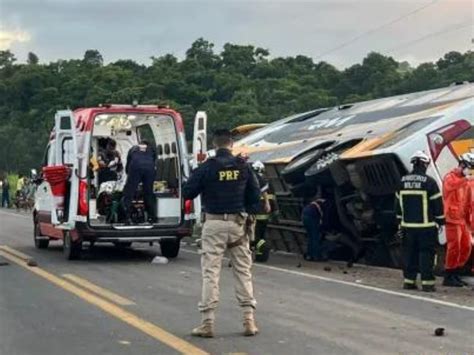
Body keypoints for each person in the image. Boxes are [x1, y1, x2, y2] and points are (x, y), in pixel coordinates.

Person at [183, 129, 260, 338]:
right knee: (243, 271)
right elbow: (255, 196)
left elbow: (188, 192)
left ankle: (207, 323)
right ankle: (248, 321)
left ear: (214, 145)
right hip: (238, 225)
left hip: (214, 224)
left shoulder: (206, 167)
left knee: (211, 273)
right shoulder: (243, 167)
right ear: (232, 144)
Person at [395, 151, 445, 292]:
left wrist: (399, 222)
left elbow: (397, 206)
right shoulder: (429, 182)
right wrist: (441, 221)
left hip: (407, 227)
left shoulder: (402, 182)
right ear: (424, 164)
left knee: (409, 254)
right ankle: (427, 284)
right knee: (426, 254)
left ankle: (409, 282)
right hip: (426, 228)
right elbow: (437, 204)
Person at [442, 152, 474, 287]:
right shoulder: (450, 177)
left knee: (466, 247)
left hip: (462, 220)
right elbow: (450, 186)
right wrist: (465, 179)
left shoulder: (466, 181)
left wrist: (469, 221)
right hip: (452, 219)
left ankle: (456, 271)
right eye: (470, 166)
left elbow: (468, 201)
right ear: (462, 165)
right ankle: (449, 274)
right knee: (454, 248)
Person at [121, 140, 157, 224]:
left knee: (128, 193)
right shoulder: (152, 149)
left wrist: (130, 177)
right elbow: (154, 162)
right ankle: (152, 217)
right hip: (149, 170)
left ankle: (127, 218)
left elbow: (128, 165)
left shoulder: (133, 149)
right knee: (148, 193)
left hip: (135, 168)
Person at [247, 161, 272, 262]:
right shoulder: (262, 180)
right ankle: (257, 253)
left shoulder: (250, 177)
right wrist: (267, 204)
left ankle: (248, 253)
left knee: (250, 235)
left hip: (251, 212)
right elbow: (266, 193)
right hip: (258, 213)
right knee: (259, 235)